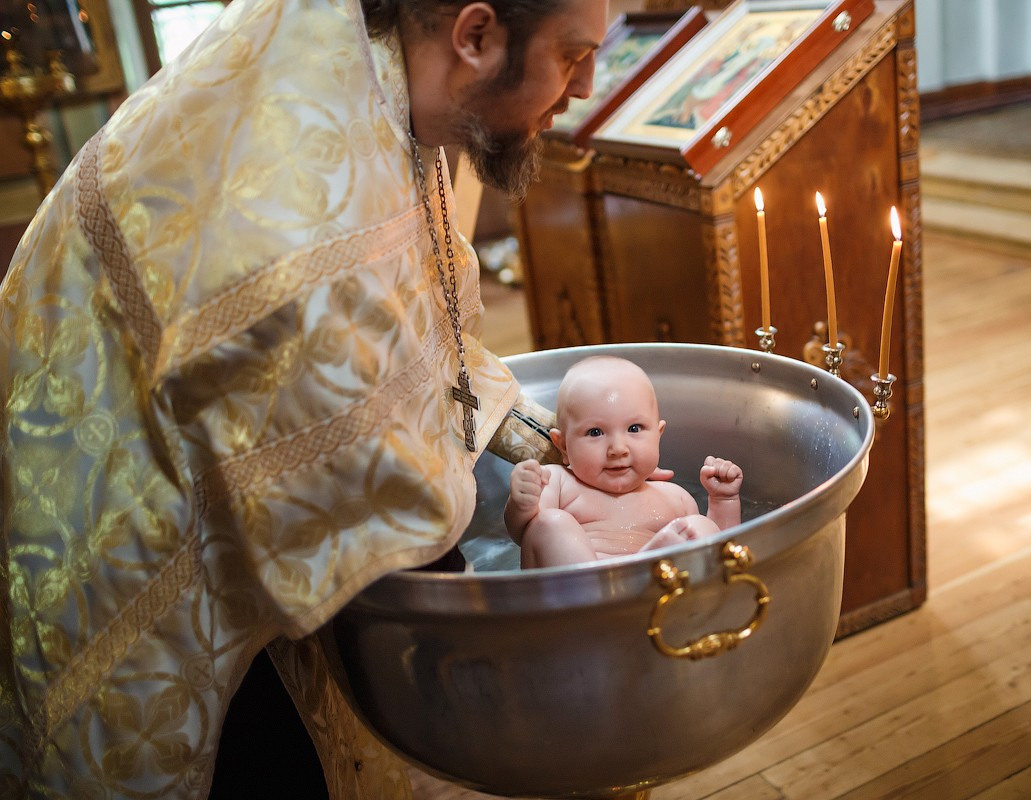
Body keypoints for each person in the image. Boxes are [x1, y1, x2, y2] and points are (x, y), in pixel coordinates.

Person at [0, 0, 610, 797]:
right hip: (124, 535)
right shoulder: (291, 197)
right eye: (572, 55)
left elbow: (414, 306)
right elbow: (353, 462)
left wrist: (540, 438)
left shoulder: (365, 71)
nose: (588, 84)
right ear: (476, 35)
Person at [505, 356, 743, 568]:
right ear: (563, 446)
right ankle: (632, 571)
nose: (618, 449)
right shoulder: (557, 481)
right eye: (595, 432)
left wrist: (723, 500)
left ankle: (644, 568)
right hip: (576, 600)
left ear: (658, 436)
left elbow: (724, 550)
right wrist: (523, 502)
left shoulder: (674, 497)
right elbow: (524, 534)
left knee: (700, 526)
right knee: (549, 523)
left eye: (634, 428)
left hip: (654, 599)